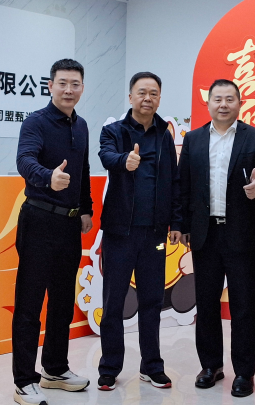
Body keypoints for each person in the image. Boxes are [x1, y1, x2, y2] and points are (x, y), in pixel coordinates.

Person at [179, 79, 255, 397]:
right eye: (217, 99)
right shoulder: (193, 139)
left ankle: (244, 373)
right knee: (206, 305)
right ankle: (211, 366)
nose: (223, 104)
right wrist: (181, 224)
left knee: (244, 306)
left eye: (229, 99)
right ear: (208, 103)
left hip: (240, 234)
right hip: (204, 234)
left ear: (239, 103)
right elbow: (183, 186)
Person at [13, 59, 94, 405]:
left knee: (62, 302)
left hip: (69, 224)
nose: (68, 90)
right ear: (50, 85)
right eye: (62, 83)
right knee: (30, 304)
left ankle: (55, 369)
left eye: (75, 84)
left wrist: (86, 208)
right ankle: (24, 380)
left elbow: (84, 169)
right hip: (39, 220)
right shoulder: (36, 122)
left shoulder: (82, 125)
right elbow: (24, 160)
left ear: (82, 88)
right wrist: (48, 177)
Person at [97, 71, 182, 391]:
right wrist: (124, 161)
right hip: (120, 232)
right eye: (142, 92)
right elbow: (106, 156)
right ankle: (109, 367)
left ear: (159, 98)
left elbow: (174, 180)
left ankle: (152, 366)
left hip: (155, 234)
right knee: (114, 303)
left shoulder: (164, 134)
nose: (148, 98)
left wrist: (176, 223)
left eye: (154, 93)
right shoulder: (113, 131)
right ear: (130, 96)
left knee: (151, 302)